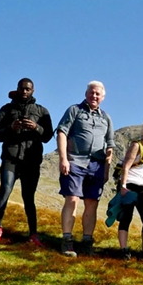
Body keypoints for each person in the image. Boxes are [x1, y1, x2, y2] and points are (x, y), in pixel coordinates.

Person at [0, 78, 53, 245]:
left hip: (31, 161)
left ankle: (33, 234)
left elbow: (47, 136)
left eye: (28, 89)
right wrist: (11, 127)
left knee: (28, 197)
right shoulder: (7, 109)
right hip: (10, 158)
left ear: (33, 91)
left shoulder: (41, 111)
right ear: (17, 89)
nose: (25, 91)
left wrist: (35, 127)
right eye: (22, 88)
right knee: (5, 190)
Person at [56, 81, 115, 257]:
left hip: (96, 166)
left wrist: (105, 171)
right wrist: (63, 158)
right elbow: (61, 132)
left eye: (98, 94)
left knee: (92, 204)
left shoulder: (106, 118)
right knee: (72, 199)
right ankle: (67, 241)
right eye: (91, 93)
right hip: (75, 161)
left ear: (103, 97)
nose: (94, 96)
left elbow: (110, 146)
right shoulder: (74, 110)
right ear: (86, 93)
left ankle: (87, 242)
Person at [116, 118, 143, 260]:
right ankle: (124, 250)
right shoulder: (136, 145)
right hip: (130, 186)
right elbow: (126, 166)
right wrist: (123, 186)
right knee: (126, 218)